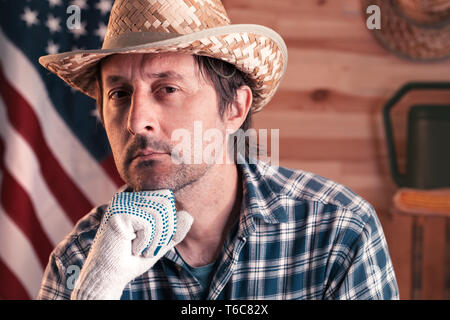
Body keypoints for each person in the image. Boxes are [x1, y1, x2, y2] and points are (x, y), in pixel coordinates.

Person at [37, 0, 399, 300]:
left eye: (167, 89)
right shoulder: (82, 258)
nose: (136, 122)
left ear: (235, 109)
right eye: (119, 95)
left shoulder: (338, 232)